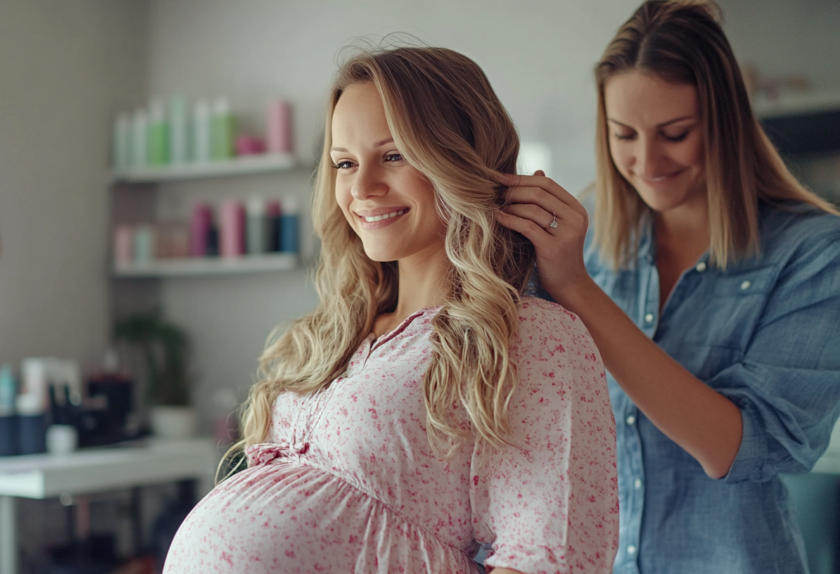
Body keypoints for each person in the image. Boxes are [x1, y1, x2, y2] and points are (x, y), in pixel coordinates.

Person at [163, 46, 618, 574]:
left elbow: (546, 558)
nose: (361, 188)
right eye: (344, 163)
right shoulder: (339, 331)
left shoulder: (530, 337)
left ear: (461, 158)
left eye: (394, 155)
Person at [497, 1, 840, 573]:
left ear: (725, 122)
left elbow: (744, 446)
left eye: (675, 134)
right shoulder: (585, 233)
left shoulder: (813, 253)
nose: (646, 161)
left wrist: (579, 291)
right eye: (623, 135)